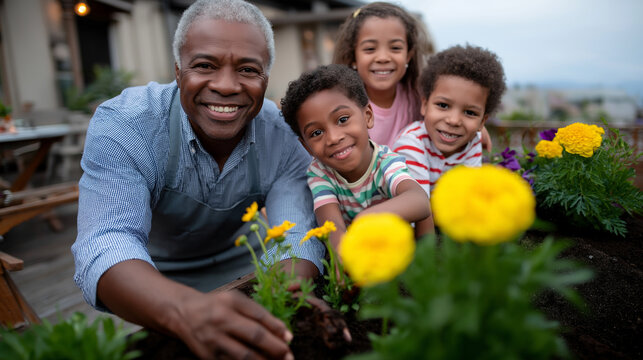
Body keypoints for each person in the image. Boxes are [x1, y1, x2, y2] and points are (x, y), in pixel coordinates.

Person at [72, 0, 324, 359]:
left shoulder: (281, 134)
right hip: (150, 278)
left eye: (248, 69)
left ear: (266, 79)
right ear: (177, 71)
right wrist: (184, 309)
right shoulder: (127, 125)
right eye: (205, 65)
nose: (225, 85)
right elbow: (107, 239)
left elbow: (294, 234)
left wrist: (284, 298)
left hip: (247, 266)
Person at [280, 64, 431, 248]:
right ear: (306, 146)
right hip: (359, 252)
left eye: (343, 120)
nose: (334, 138)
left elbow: (420, 201)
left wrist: (365, 218)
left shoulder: (385, 162)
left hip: (398, 246)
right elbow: (333, 231)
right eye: (316, 133)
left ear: (367, 116)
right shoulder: (320, 173)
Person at [333, 2, 493, 150]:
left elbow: (455, 107)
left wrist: (480, 129)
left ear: (408, 56)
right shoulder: (341, 105)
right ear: (353, 57)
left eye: (395, 48)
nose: (383, 57)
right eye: (369, 49)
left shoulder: (418, 94)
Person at [392, 44, 507, 234]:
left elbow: (468, 195)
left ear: (482, 122)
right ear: (424, 105)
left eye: (469, 112)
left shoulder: (473, 142)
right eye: (443, 105)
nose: (453, 120)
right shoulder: (411, 144)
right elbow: (419, 210)